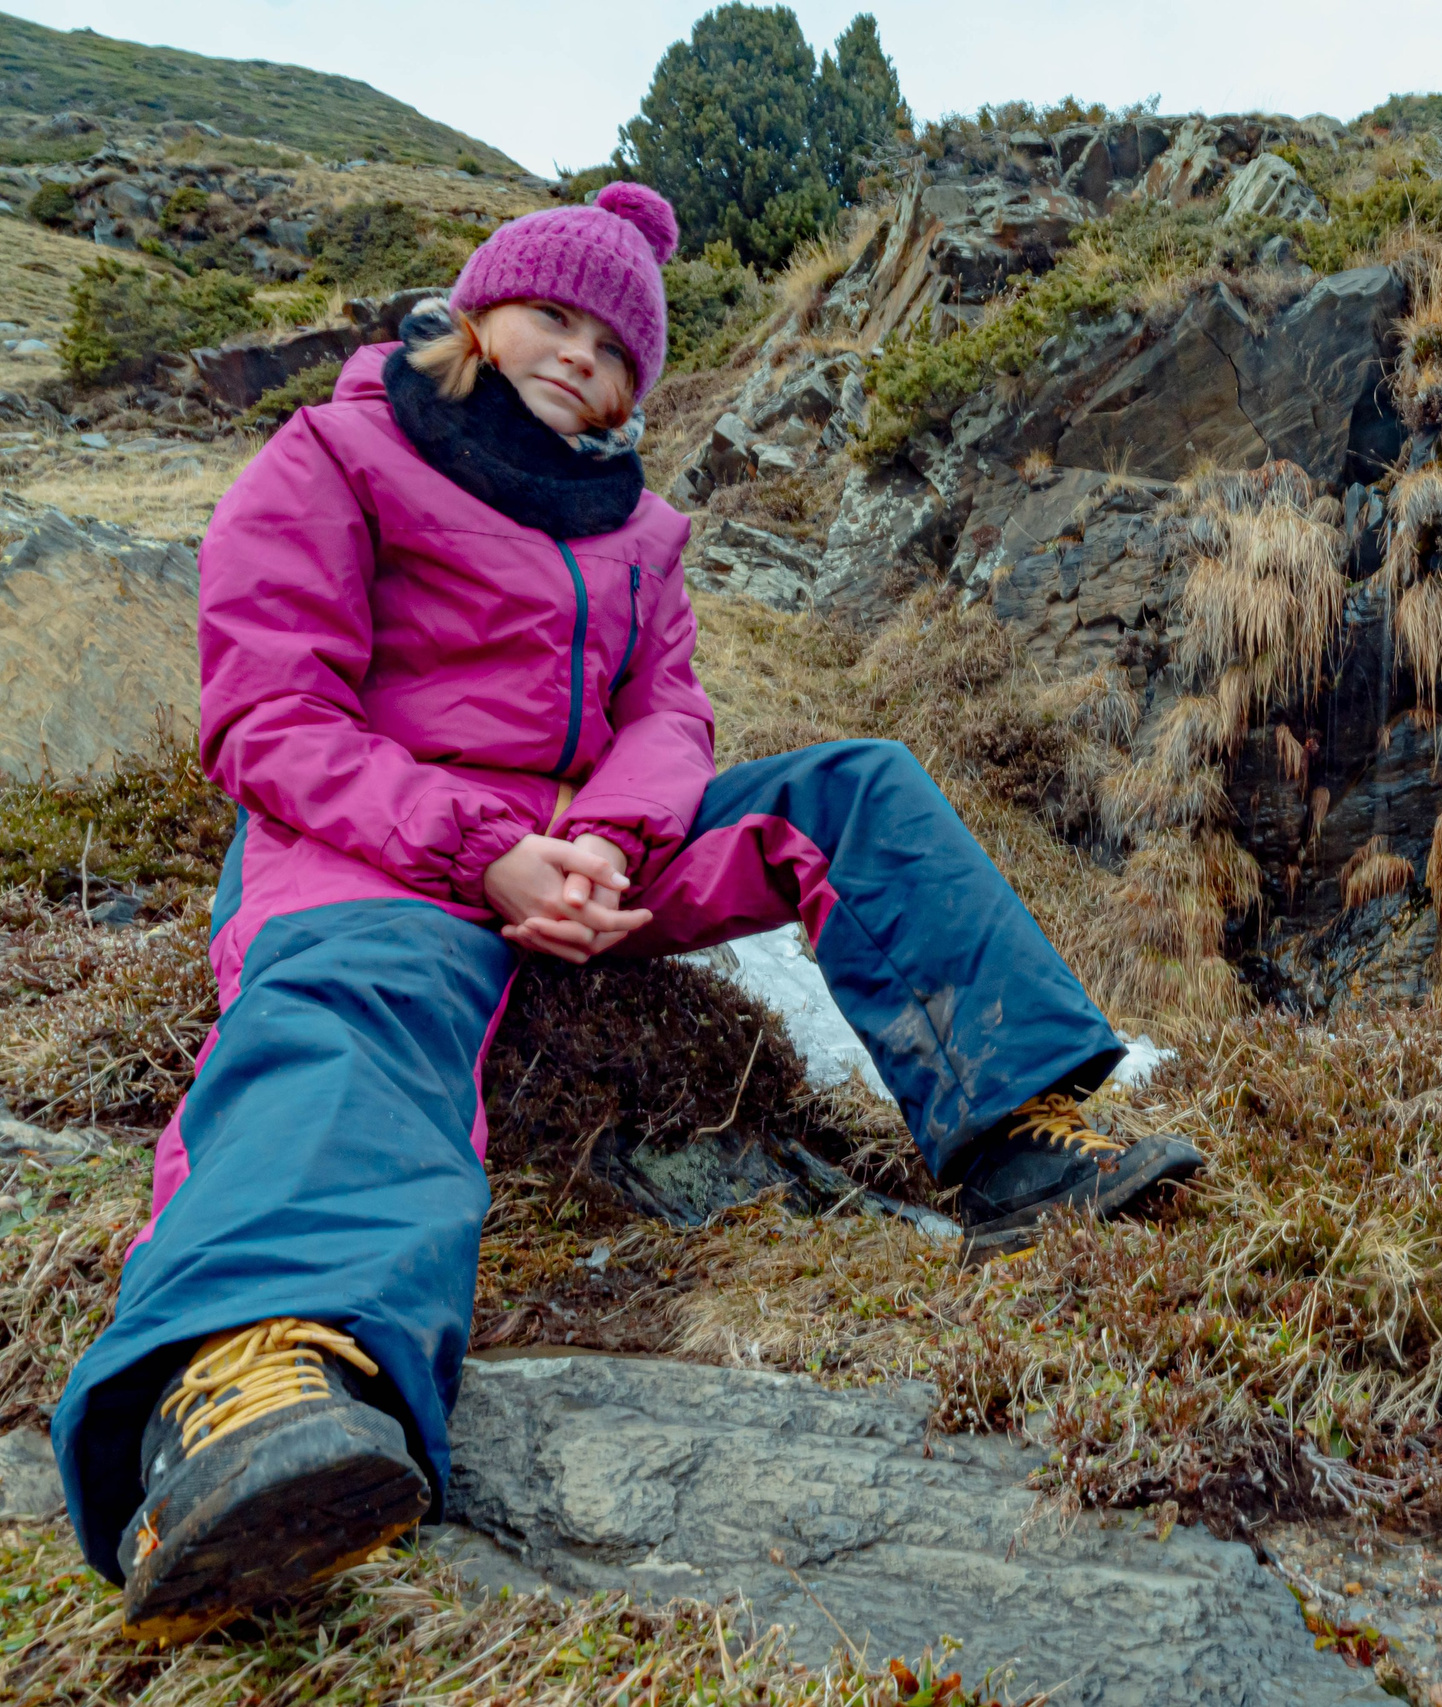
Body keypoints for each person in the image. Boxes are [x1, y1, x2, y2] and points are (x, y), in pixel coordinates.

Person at [48, 181, 1202, 1645]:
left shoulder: (640, 532)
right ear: (478, 312)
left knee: (855, 789)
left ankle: (1016, 1134)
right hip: (374, 844)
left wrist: (601, 841)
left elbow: (671, 718)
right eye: (551, 316)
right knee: (360, 996)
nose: (581, 356)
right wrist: (486, 854)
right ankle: (241, 1383)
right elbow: (269, 716)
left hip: (582, 846)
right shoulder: (335, 452)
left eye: (616, 345)